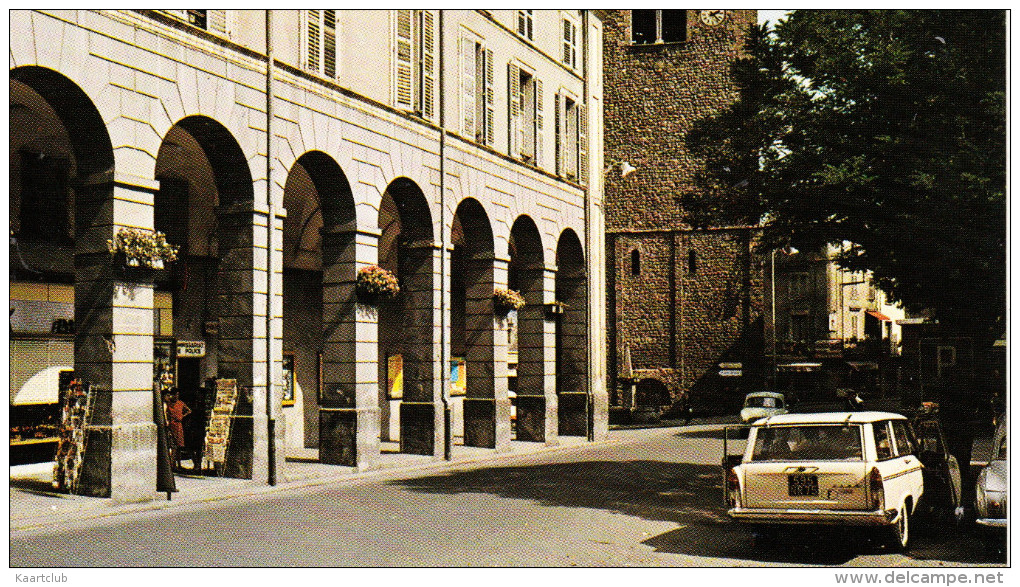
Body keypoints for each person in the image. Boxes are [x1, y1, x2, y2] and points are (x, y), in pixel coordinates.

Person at [163, 388, 191, 471]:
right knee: (173, 446)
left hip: (179, 425)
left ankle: (178, 464)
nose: (176, 396)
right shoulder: (168, 404)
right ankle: (173, 464)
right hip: (172, 425)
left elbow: (189, 410)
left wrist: (182, 416)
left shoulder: (180, 403)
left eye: (177, 395)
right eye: (175, 395)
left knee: (179, 446)